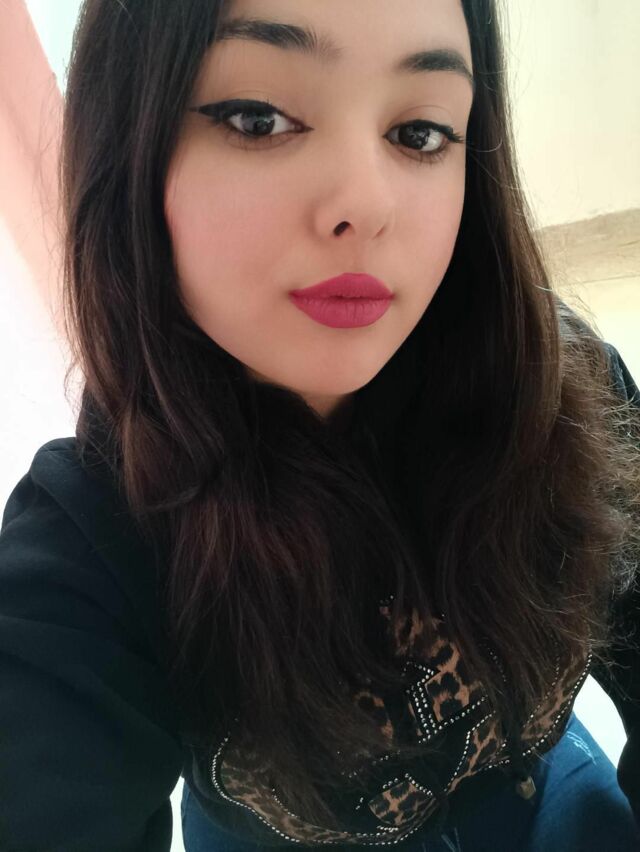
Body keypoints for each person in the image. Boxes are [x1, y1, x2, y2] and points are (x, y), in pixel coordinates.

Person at [1, 0, 639, 850]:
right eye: (257, 119)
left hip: (537, 795)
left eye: (419, 133)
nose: (367, 204)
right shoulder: (92, 540)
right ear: (130, 144)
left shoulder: (565, 387)